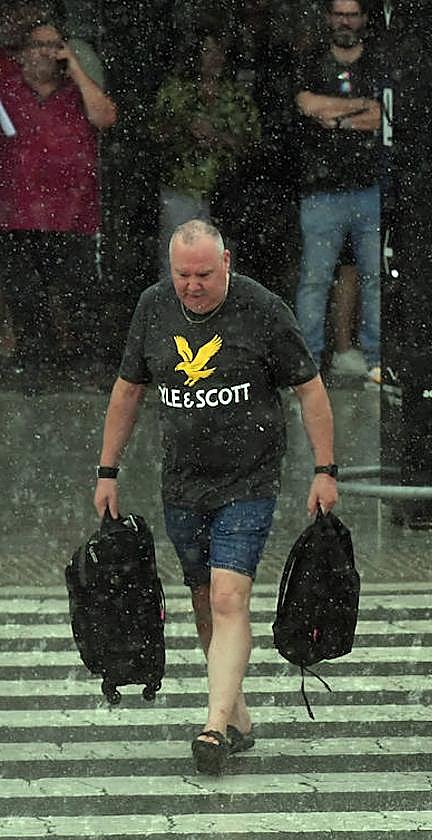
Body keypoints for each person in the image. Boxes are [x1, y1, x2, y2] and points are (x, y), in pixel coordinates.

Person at [92, 219, 339, 775]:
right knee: (204, 601)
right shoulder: (153, 307)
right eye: (183, 275)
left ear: (226, 262)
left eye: (204, 273)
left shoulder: (263, 308)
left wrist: (326, 468)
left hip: (249, 481)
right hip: (181, 481)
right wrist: (108, 469)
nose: (193, 285)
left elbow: (310, 388)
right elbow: (128, 390)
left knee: (230, 599)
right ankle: (237, 716)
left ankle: (212, 726)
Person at [0, 17, 117, 387]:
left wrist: (77, 70)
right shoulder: (6, 89)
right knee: (25, 293)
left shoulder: (76, 91)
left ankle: (86, 363)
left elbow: (106, 117)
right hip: (16, 212)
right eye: (41, 46)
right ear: (23, 55)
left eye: (56, 45)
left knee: (79, 293)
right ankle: (36, 363)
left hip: (73, 213)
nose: (49, 53)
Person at [293, 0, 382, 386]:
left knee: (374, 278)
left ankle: (377, 360)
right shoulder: (311, 60)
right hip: (320, 192)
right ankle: (306, 365)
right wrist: (358, 112)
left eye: (353, 14)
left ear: (364, 19)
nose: (345, 21)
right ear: (329, 18)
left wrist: (334, 119)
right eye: (339, 13)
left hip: (370, 189)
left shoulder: (378, 62)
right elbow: (305, 104)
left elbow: (383, 114)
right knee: (314, 281)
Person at [151, 24, 261, 280]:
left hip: (224, 193)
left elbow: (253, 144)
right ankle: (174, 318)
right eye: (208, 51)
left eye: (220, 52)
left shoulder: (237, 96)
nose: (215, 58)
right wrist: (185, 129)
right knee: (175, 263)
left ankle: (219, 319)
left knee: (222, 267)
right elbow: (155, 133)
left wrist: (219, 136)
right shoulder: (176, 89)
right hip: (181, 188)